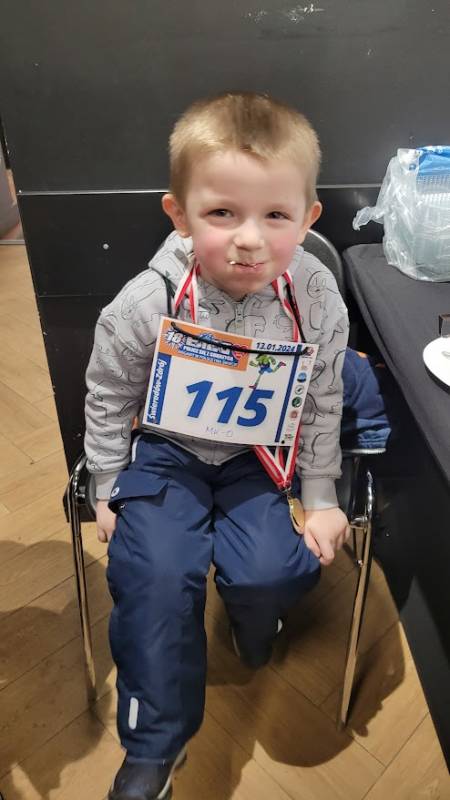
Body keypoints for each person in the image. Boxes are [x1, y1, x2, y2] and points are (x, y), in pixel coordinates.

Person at [85, 91, 350, 800]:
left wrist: (320, 493)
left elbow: (324, 396)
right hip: (167, 455)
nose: (249, 240)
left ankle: (254, 618)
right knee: (151, 575)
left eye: (276, 216)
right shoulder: (147, 300)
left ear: (308, 218)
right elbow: (108, 392)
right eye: (222, 213)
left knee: (272, 570)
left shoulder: (317, 297)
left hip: (261, 460)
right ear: (179, 214)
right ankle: (154, 746)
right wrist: (106, 483)